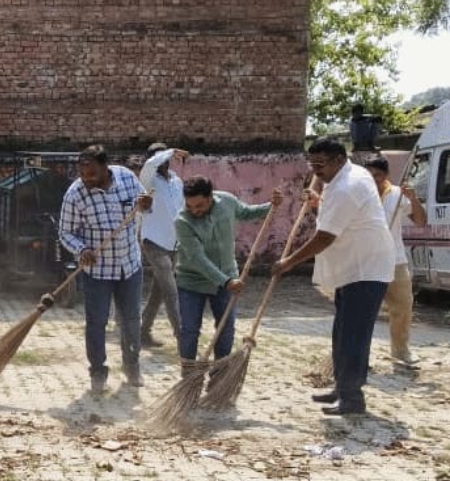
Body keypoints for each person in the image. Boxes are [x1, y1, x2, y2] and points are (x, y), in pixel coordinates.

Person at [273, 138, 396, 416]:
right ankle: (341, 388)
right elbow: (337, 209)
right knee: (341, 333)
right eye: (312, 164)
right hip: (353, 268)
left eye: (321, 165)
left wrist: (289, 262)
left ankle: (352, 400)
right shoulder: (349, 174)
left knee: (353, 336)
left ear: (339, 160)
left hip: (366, 268)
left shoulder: (347, 187)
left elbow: (325, 236)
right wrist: (319, 199)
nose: (316, 171)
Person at [59, 145, 153, 393]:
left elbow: (144, 204)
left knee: (132, 320)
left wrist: (146, 204)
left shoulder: (126, 177)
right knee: (96, 323)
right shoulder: (75, 194)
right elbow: (65, 233)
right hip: (97, 272)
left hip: (129, 266)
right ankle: (98, 372)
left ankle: (132, 366)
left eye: (91, 174)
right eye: (82, 173)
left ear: (105, 168)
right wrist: (81, 250)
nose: (86, 179)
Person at [174, 176, 282, 371]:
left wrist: (271, 206)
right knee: (189, 331)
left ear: (210, 197)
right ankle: (188, 375)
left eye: (199, 205)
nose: (194, 211)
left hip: (227, 278)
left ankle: (219, 376)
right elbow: (198, 260)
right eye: (190, 206)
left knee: (226, 331)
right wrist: (226, 282)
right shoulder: (182, 221)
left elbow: (247, 212)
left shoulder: (227, 201)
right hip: (192, 282)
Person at [364, 155, 428, 364]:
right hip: (366, 261)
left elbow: (420, 222)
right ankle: (360, 353)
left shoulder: (399, 195)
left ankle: (401, 350)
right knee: (364, 311)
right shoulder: (359, 195)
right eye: (369, 175)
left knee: (403, 307)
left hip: (396, 261)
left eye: (378, 175)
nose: (374, 179)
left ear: (386, 175)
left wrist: (414, 198)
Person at [137, 143, 188, 347]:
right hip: (153, 241)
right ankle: (182, 336)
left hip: (173, 243)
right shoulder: (148, 178)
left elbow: (182, 209)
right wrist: (173, 151)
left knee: (158, 292)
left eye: (166, 157)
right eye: (160, 157)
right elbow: (151, 164)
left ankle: (143, 332)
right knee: (171, 290)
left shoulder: (176, 181)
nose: (163, 161)